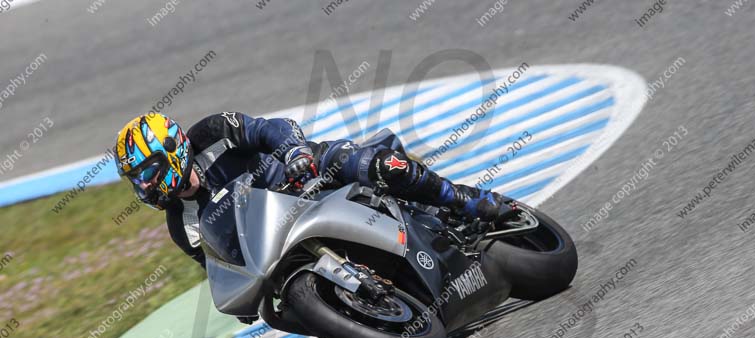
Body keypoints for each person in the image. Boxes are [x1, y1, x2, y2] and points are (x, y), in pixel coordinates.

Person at [114, 112, 503, 272]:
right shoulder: (182, 226)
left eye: (146, 172)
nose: (144, 185)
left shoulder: (213, 132)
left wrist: (296, 154)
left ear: (172, 150)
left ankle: (467, 201)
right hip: (282, 239)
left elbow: (268, 129)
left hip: (310, 175)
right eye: (136, 180)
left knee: (381, 166)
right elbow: (218, 268)